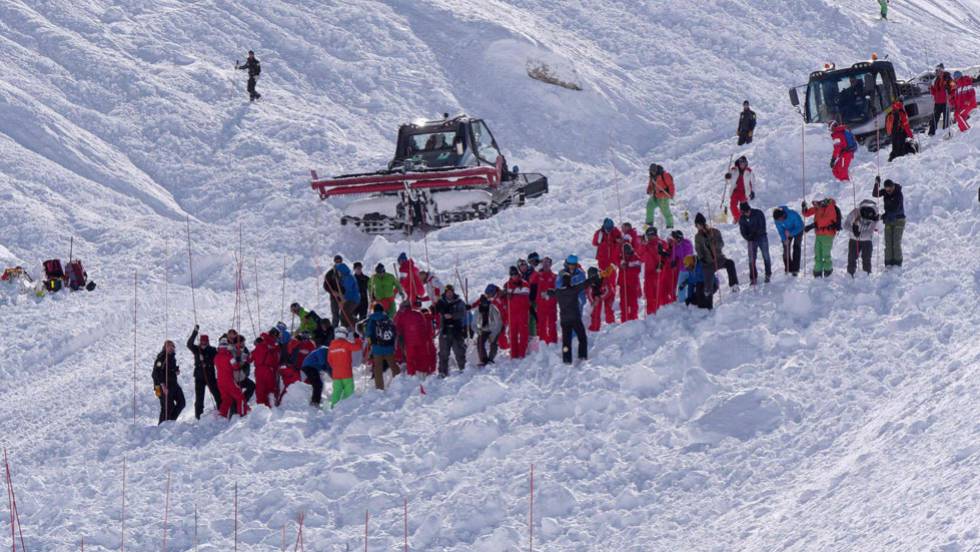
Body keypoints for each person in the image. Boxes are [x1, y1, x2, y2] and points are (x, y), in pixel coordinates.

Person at [545, 271, 597, 364]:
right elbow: (585, 283)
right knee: (582, 338)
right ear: (570, 281)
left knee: (566, 341)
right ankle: (582, 356)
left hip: (565, 320)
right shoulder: (574, 289)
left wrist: (547, 292)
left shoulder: (559, 292)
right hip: (575, 318)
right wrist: (595, 277)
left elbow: (550, 292)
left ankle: (567, 360)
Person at [694, 213, 739, 294]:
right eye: (696, 225)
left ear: (702, 223)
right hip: (708, 262)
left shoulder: (714, 232)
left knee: (730, 263)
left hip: (719, 258)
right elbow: (698, 249)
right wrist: (702, 258)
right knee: (707, 279)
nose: (697, 227)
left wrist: (714, 243)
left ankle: (734, 285)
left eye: (698, 224)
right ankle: (708, 294)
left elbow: (721, 244)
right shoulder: (697, 237)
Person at [186, 326, 220, 420]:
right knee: (199, 398)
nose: (203, 343)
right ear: (200, 341)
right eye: (202, 341)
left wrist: (206, 362)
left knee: (216, 394)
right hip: (199, 377)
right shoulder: (196, 349)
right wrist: (195, 332)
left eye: (205, 341)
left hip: (210, 376)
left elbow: (217, 358)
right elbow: (189, 344)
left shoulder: (212, 350)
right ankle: (198, 416)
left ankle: (221, 410)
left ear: (208, 342)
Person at [394, 301, 436, 376]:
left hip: (409, 341)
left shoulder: (401, 316)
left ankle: (411, 374)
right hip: (420, 340)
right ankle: (423, 372)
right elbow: (424, 326)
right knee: (422, 357)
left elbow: (398, 329)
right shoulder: (418, 313)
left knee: (410, 359)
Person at [803, 198, 842, 277]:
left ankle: (828, 270)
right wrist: (804, 208)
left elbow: (825, 220)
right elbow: (807, 214)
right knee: (818, 253)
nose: (818, 205)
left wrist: (811, 226)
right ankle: (817, 271)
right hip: (819, 234)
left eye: (820, 203)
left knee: (825, 254)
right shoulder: (819, 208)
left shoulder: (831, 208)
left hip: (828, 235)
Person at [872, 177, 906, 267]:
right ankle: (888, 263)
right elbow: (875, 194)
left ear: (893, 186)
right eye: (887, 189)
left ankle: (897, 263)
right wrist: (876, 184)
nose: (888, 191)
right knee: (888, 242)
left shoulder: (898, 194)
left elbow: (895, 209)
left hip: (899, 220)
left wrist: (882, 216)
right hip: (888, 220)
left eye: (890, 189)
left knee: (896, 242)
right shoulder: (886, 192)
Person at [435, 284, 467, 376]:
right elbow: (434, 311)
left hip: (456, 331)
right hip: (444, 331)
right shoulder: (441, 302)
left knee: (459, 351)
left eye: (451, 292)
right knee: (443, 353)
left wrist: (453, 316)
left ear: (453, 292)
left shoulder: (459, 302)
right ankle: (442, 371)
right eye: (447, 292)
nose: (449, 294)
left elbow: (463, 313)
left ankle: (463, 369)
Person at [366, 304, 400, 390]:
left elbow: (368, 333)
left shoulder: (371, 319)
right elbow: (394, 332)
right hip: (388, 347)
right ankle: (400, 382)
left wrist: (371, 345)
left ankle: (379, 388)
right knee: (393, 365)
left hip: (377, 348)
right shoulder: (387, 318)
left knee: (378, 368)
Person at [737, 201, 772, 284]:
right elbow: (742, 231)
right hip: (751, 240)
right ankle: (753, 277)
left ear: (750, 209)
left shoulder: (758, 213)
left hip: (761, 237)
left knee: (766, 255)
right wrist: (748, 237)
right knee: (751, 259)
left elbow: (762, 226)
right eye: (745, 212)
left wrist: (754, 234)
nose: (747, 213)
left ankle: (768, 274)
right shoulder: (742, 218)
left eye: (748, 211)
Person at [152, 340, 185, 424]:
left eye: (172, 346)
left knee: (181, 402)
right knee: (167, 407)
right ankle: (161, 427)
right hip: (160, 387)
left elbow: (169, 370)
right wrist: (162, 386)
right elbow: (156, 373)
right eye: (169, 346)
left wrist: (175, 371)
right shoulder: (161, 358)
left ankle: (170, 423)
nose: (171, 348)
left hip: (173, 384)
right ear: (165, 348)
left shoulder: (172, 357)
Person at [844, 199, 880, 276]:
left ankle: (867, 276)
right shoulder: (855, 212)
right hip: (853, 240)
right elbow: (845, 225)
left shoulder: (875, 217)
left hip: (867, 241)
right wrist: (854, 230)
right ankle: (850, 275)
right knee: (851, 258)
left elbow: (870, 231)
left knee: (866, 259)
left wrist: (859, 234)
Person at [327, 328, 362, 407]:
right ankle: (346, 407)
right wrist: (357, 339)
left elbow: (329, 360)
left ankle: (334, 407)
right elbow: (358, 347)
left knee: (336, 392)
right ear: (345, 335)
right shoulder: (346, 344)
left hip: (336, 374)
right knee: (349, 391)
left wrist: (336, 367)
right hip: (346, 373)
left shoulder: (331, 346)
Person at [216, 336, 249, 417]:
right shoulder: (229, 357)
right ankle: (242, 414)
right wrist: (241, 360)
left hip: (220, 382)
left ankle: (222, 415)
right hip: (229, 381)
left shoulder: (216, 357)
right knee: (240, 397)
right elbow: (236, 367)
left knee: (227, 399)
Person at [503, 267, 531, 358]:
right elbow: (503, 299)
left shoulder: (525, 284)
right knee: (512, 334)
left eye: (515, 274)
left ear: (518, 274)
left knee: (523, 333)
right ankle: (514, 353)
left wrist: (513, 295)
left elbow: (525, 298)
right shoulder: (507, 285)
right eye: (512, 274)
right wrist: (505, 295)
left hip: (522, 313)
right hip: (512, 314)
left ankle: (522, 352)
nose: (514, 276)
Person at [528, 257, 557, 344]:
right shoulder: (538, 275)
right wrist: (537, 270)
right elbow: (531, 280)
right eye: (544, 263)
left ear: (551, 264)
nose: (545, 265)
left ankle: (553, 342)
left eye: (547, 263)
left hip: (551, 305)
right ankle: (543, 342)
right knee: (541, 324)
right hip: (541, 305)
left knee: (552, 324)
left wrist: (550, 295)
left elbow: (558, 290)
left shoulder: (555, 276)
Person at [471, 295, 503, 366]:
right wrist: (478, 331)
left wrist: (493, 335)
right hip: (483, 329)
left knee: (493, 342)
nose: (484, 304)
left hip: (493, 329)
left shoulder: (493, 309)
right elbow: (473, 324)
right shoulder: (477, 310)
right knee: (480, 341)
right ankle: (483, 359)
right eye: (483, 302)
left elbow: (499, 323)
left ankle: (491, 359)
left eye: (485, 302)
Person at [772, 206, 804, 276]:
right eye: (778, 220)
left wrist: (791, 233)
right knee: (786, 248)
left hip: (798, 230)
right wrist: (784, 240)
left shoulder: (792, 214)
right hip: (787, 232)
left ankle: (795, 269)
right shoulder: (777, 220)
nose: (779, 221)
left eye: (780, 219)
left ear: (783, 215)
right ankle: (788, 268)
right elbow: (780, 231)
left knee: (796, 247)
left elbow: (800, 226)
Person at [251, 331, 279, 407]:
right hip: (269, 369)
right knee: (270, 388)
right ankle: (272, 405)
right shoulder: (271, 345)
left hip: (259, 370)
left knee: (260, 389)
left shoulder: (255, 350)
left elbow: (248, 359)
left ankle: (261, 407)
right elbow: (276, 358)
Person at [724, 156, 755, 221]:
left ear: (746, 163)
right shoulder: (734, 170)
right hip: (736, 191)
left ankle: (745, 218)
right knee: (732, 206)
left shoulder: (749, 171)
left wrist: (752, 191)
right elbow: (728, 181)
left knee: (744, 207)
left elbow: (753, 182)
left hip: (744, 191)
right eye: (741, 163)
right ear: (739, 163)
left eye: (744, 163)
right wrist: (728, 177)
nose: (742, 165)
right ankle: (737, 218)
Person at [645, 164, 676, 229]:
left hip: (663, 197)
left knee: (665, 212)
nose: (652, 172)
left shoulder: (664, 175)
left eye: (653, 171)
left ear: (656, 170)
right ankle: (649, 223)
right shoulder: (652, 176)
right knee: (649, 206)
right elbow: (650, 185)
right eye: (651, 171)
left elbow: (671, 185)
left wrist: (671, 194)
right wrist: (649, 190)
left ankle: (670, 225)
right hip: (655, 196)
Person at [299, 342, 329, 407]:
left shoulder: (323, 351)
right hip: (309, 367)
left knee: (317, 384)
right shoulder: (322, 350)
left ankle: (315, 401)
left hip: (311, 367)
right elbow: (322, 363)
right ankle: (315, 402)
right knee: (318, 384)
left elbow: (324, 365)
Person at [588, 266, 617, 332]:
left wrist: (600, 298)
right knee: (596, 310)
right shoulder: (589, 282)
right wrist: (593, 301)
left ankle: (611, 326)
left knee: (608, 309)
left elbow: (609, 291)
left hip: (608, 294)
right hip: (596, 295)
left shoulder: (604, 279)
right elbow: (589, 293)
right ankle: (594, 327)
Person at [618, 244, 642, 322]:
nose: (627, 254)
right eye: (625, 252)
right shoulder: (621, 257)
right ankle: (624, 319)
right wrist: (621, 264)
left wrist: (627, 266)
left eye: (628, 252)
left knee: (633, 303)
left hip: (633, 283)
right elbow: (616, 262)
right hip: (623, 283)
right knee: (623, 303)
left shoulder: (635, 257)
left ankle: (633, 319)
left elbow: (637, 269)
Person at [667, 230, 693, 302]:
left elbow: (686, 256)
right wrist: (672, 261)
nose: (673, 240)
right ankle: (681, 302)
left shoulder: (687, 244)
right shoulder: (676, 246)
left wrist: (678, 244)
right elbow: (673, 256)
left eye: (674, 238)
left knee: (691, 285)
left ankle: (691, 301)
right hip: (682, 270)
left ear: (678, 238)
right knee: (681, 287)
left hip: (690, 269)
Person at [928, 64, 954, 135]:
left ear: (941, 70)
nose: (936, 71)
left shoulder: (948, 78)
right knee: (934, 117)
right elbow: (935, 92)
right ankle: (931, 133)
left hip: (946, 101)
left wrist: (950, 95)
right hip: (937, 102)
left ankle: (946, 132)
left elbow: (954, 87)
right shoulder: (936, 80)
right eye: (936, 70)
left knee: (946, 118)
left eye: (937, 70)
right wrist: (931, 88)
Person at [335, 261, 360, 329]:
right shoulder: (344, 278)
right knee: (344, 313)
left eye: (338, 271)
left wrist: (343, 299)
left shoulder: (348, 278)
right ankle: (348, 327)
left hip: (353, 299)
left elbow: (348, 291)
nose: (338, 273)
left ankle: (357, 325)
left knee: (344, 314)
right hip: (351, 299)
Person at [323, 256, 344, 327]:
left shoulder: (345, 272)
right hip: (334, 298)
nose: (338, 263)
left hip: (344, 297)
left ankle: (345, 330)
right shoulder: (330, 273)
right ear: (334, 262)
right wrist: (333, 292)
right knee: (335, 315)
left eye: (340, 261)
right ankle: (334, 330)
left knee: (344, 314)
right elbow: (326, 286)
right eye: (337, 261)